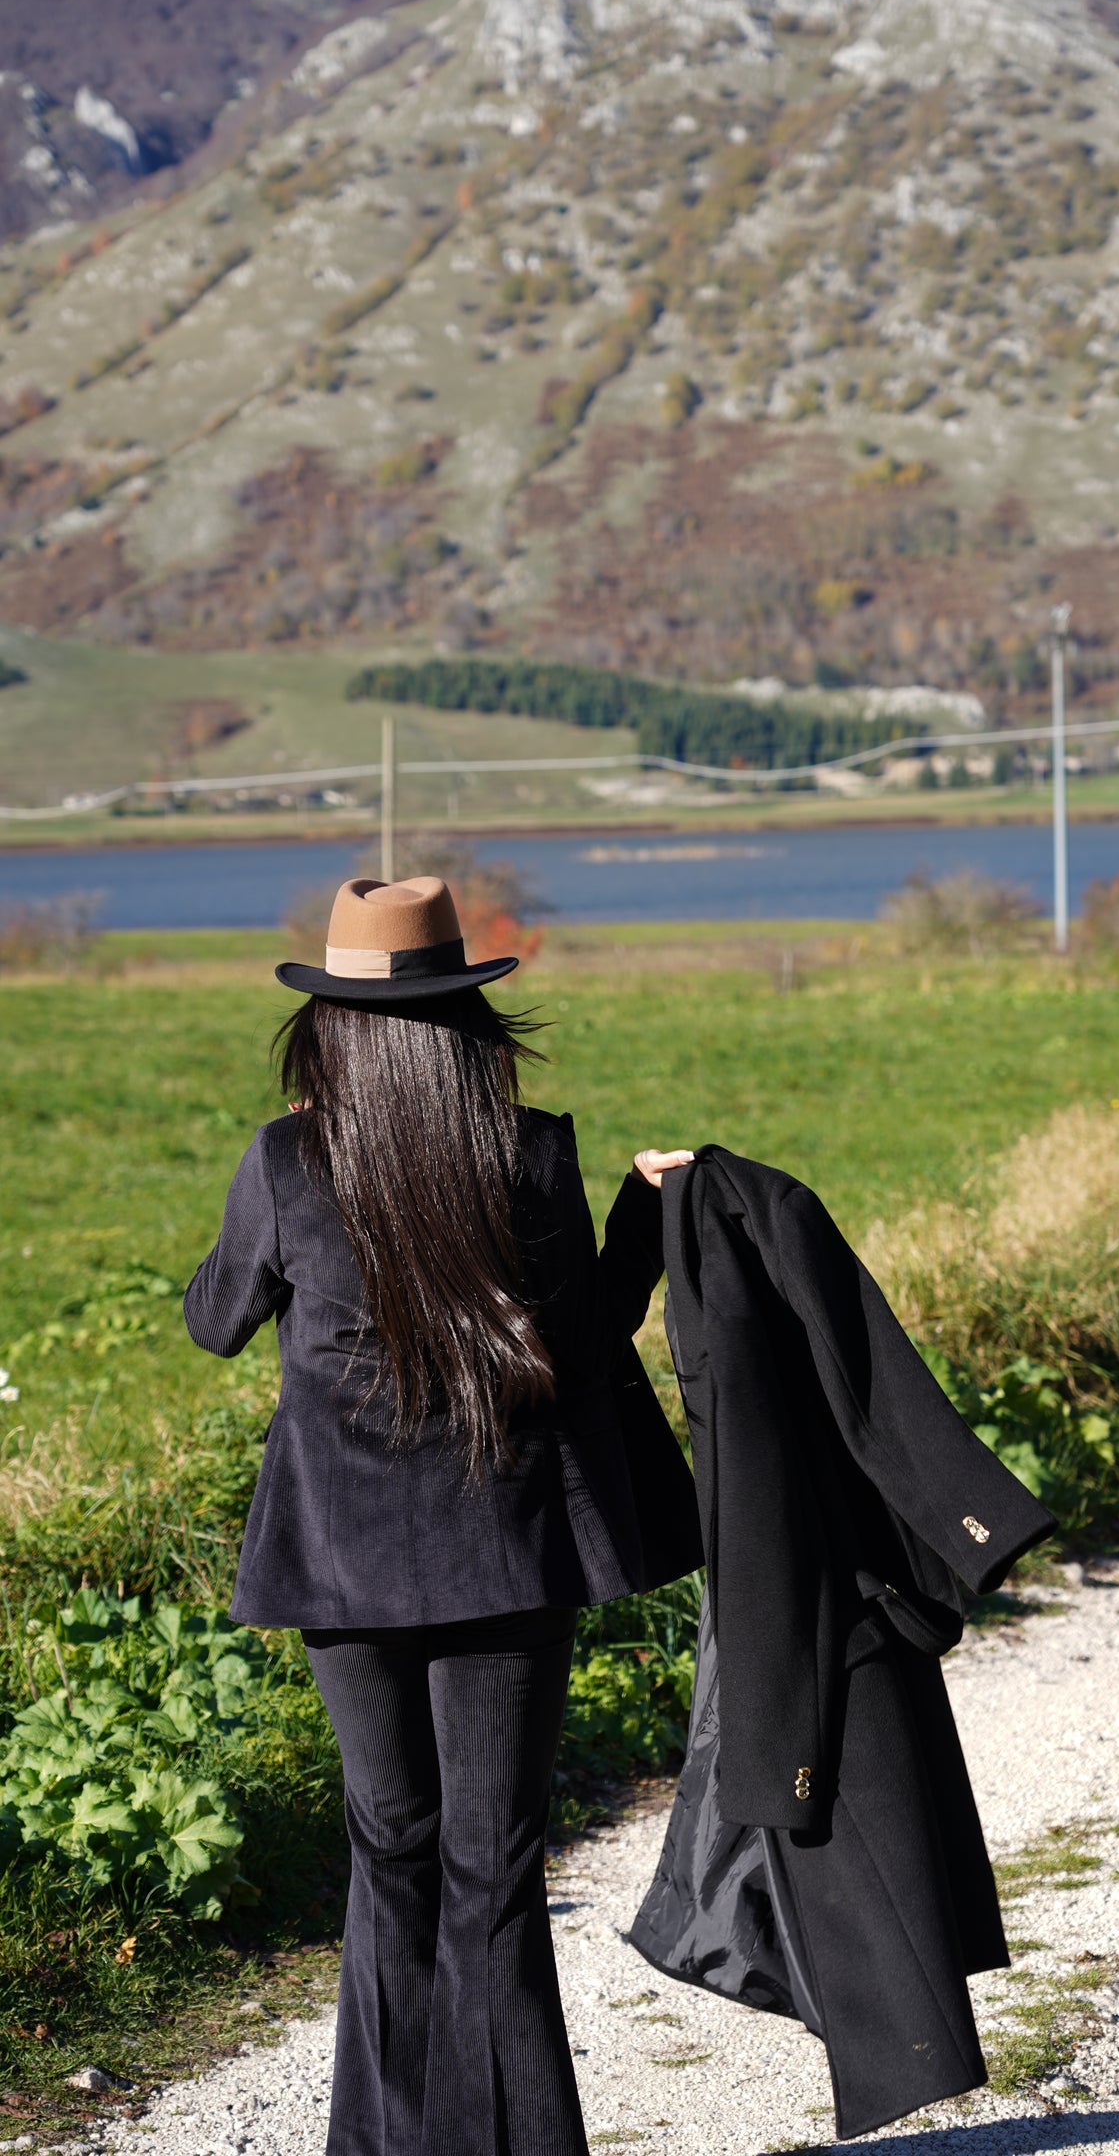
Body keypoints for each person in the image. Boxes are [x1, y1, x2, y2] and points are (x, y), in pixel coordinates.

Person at [184, 875, 702, 2156]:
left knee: (391, 1852)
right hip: (508, 1553)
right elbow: (585, 1334)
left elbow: (215, 1320)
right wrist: (644, 1216)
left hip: (340, 1567)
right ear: (467, 1014)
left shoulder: (286, 1156)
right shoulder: (526, 1151)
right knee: (492, 1869)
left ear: (332, 1025)